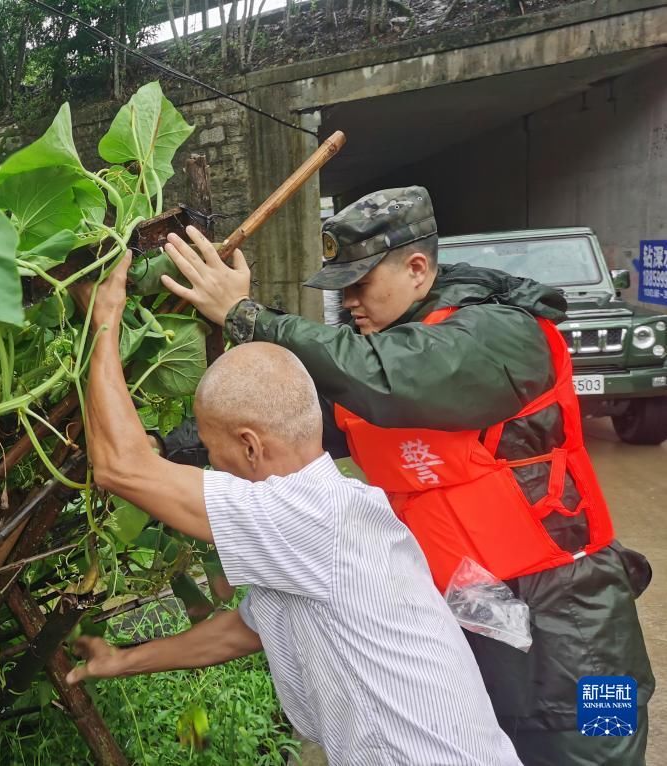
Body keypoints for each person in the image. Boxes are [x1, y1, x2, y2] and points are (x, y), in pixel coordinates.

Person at [156, 187, 655, 766]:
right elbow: (281, 426)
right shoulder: (378, 367)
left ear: (417, 268)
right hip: (477, 624)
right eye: (341, 291)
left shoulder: (500, 336)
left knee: (605, 750)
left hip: (582, 626)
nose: (350, 304)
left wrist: (246, 317)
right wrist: (163, 450)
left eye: (360, 285)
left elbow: (387, 376)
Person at [65, 254, 523, 766]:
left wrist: (103, 317)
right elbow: (246, 630)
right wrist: (121, 661)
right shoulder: (336, 511)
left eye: (212, 452)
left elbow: (120, 467)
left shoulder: (304, 518)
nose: (210, 465)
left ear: (251, 447)